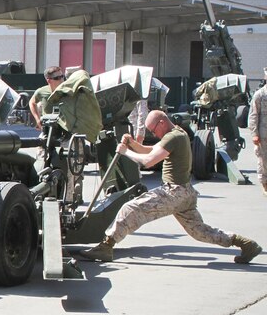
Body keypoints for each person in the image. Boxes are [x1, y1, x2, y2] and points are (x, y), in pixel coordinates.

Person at [79, 109, 261, 264]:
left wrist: (126, 152)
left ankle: (106, 246)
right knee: (200, 232)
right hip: (185, 193)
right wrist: (133, 145)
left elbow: (149, 161)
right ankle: (245, 244)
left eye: (153, 129)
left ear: (161, 122)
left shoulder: (173, 137)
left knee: (130, 208)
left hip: (173, 192)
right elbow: (151, 150)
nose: (153, 133)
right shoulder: (177, 134)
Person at [249, 71, 267, 196]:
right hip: (264, 134)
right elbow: (253, 115)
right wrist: (254, 134)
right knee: (263, 160)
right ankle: (265, 184)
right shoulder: (260, 94)